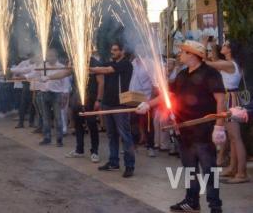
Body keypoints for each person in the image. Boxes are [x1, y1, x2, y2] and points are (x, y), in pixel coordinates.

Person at [136, 40, 225, 213]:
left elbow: (221, 100)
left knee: (209, 170)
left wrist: (219, 126)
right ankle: (191, 201)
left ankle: (215, 206)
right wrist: (148, 104)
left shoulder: (210, 73)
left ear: (192, 54)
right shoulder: (182, 74)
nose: (180, 54)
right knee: (189, 168)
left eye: (183, 52)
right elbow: (169, 95)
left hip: (204, 129)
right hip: (184, 129)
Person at [204, 39, 249, 184]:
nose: (222, 46)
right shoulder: (232, 63)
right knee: (232, 138)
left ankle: (242, 173)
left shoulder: (229, 64)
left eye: (225, 45)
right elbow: (214, 61)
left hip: (230, 100)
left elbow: (207, 64)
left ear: (229, 50)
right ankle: (233, 169)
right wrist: (210, 46)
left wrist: (203, 45)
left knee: (235, 138)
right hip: (231, 99)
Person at [90, 42, 135, 178]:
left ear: (122, 51)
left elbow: (106, 70)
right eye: (112, 50)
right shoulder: (111, 63)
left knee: (125, 136)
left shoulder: (125, 64)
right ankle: (113, 162)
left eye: (116, 50)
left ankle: (129, 166)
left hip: (120, 104)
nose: (113, 52)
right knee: (111, 135)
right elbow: (100, 68)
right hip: (108, 103)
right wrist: (89, 68)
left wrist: (93, 69)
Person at [34, 48, 70, 147]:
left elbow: (66, 83)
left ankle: (59, 139)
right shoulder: (42, 66)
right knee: (46, 117)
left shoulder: (61, 67)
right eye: (49, 56)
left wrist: (65, 95)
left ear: (56, 56)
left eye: (52, 56)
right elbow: (35, 75)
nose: (50, 58)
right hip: (44, 93)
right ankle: (47, 138)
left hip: (57, 94)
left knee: (58, 118)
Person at [11, 55, 34, 129]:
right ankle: (21, 122)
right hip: (26, 85)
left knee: (32, 105)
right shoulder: (24, 63)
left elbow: (26, 72)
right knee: (23, 104)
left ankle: (31, 122)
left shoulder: (37, 64)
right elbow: (18, 70)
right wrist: (13, 73)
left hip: (34, 85)